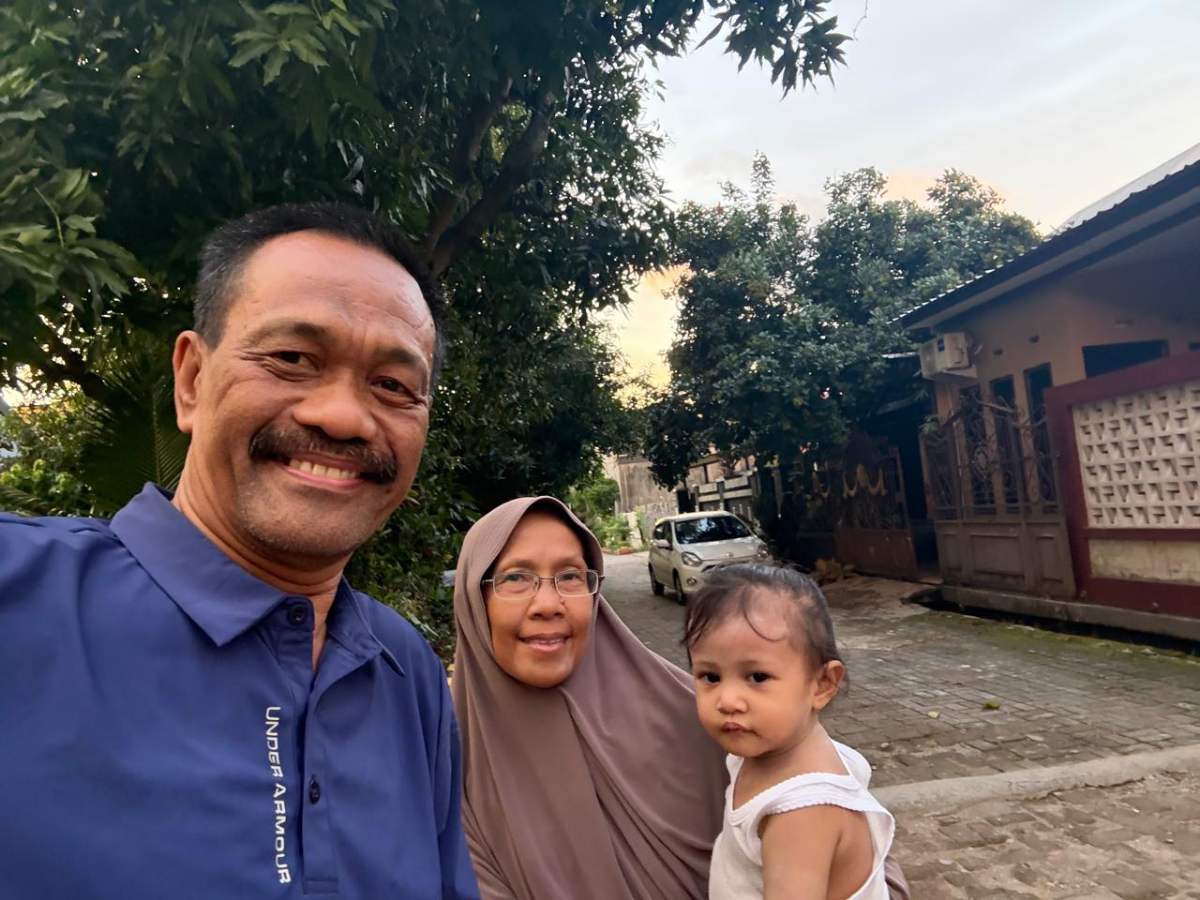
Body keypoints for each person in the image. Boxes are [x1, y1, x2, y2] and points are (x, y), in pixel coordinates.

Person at [0, 203, 479, 898]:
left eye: (393, 386)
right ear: (192, 380)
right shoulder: (20, 599)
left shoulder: (404, 671)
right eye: (292, 359)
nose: (343, 416)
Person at [451, 498, 910, 900]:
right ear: (474, 597)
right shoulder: (449, 764)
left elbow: (869, 862)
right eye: (516, 577)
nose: (549, 603)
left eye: (570, 576)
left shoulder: (707, 710)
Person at [684, 564, 894, 900]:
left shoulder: (801, 813)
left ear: (822, 684)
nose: (727, 701)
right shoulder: (765, 749)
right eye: (710, 677)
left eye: (757, 677)